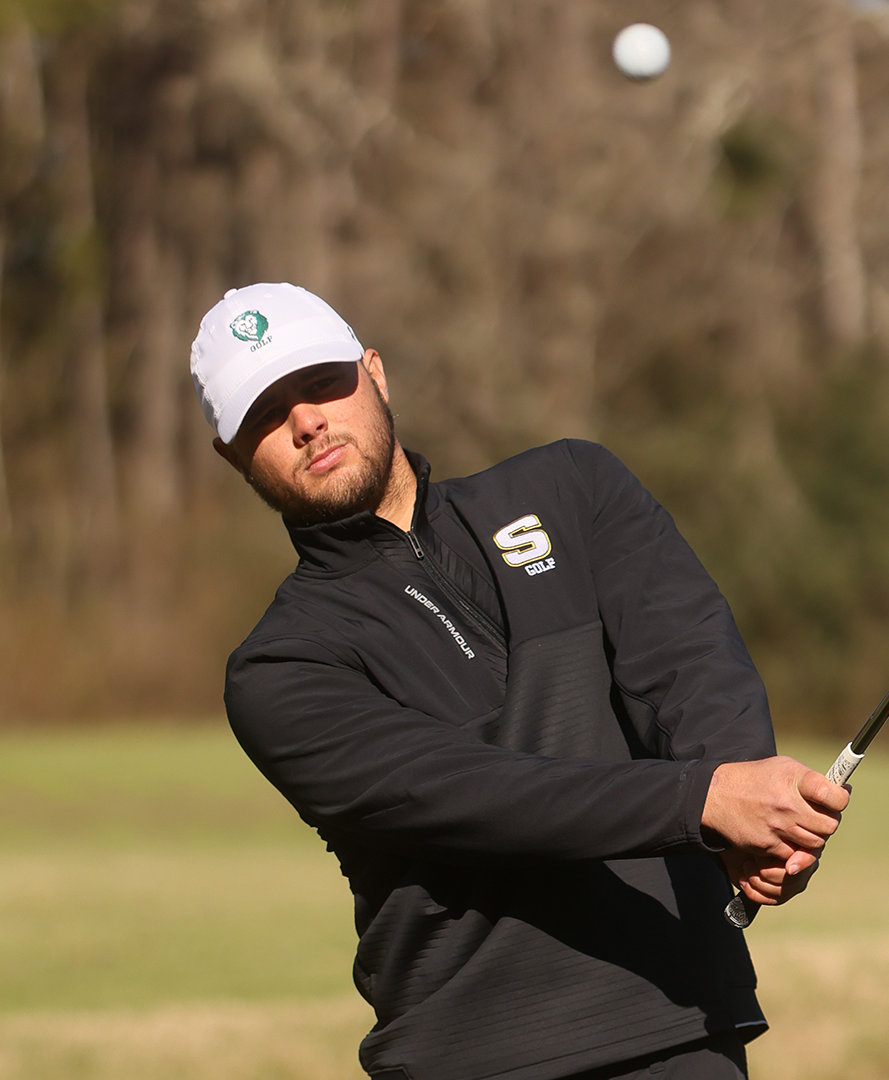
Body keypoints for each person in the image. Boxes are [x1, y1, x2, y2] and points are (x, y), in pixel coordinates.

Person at [196, 283, 850, 1080]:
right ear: (233, 455)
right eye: (266, 413)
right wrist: (705, 801)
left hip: (682, 1025)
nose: (306, 422)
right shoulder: (279, 670)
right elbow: (476, 795)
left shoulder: (572, 489)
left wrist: (750, 815)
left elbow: (690, 660)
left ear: (375, 372)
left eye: (321, 382)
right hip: (475, 1056)